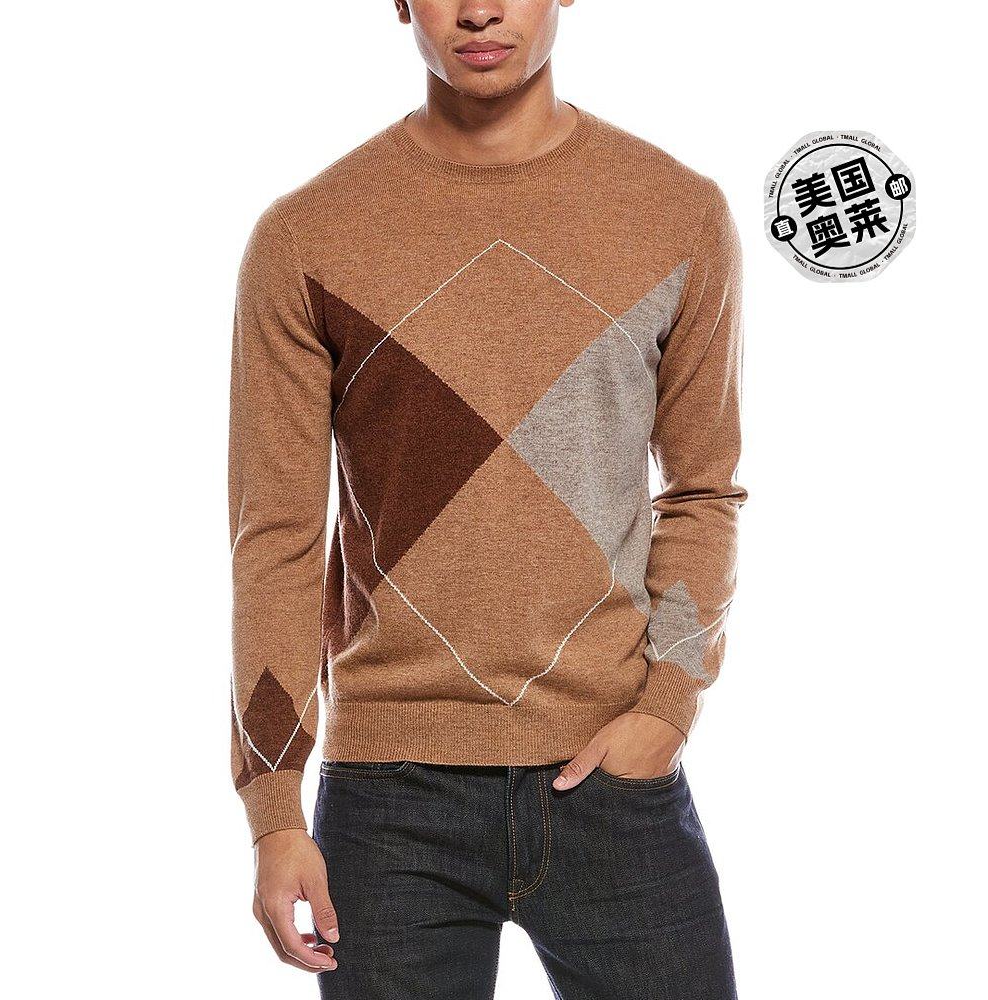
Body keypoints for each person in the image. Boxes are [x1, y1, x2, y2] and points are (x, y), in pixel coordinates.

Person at [229, 1, 746, 996]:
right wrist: (274, 807)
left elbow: (703, 489)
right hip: (388, 801)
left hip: (613, 776)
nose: (479, 8)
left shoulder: (676, 212)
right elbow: (278, 539)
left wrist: (667, 709)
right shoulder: (307, 237)